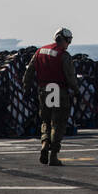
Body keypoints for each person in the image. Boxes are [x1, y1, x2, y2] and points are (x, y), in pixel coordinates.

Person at [23, 27, 79, 166]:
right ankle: (53, 155)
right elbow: (70, 77)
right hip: (59, 92)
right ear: (64, 40)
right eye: (69, 41)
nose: (69, 44)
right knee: (58, 124)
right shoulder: (63, 55)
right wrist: (76, 90)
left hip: (44, 91)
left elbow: (29, 72)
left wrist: (26, 88)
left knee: (46, 121)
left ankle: (44, 142)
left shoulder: (39, 51)